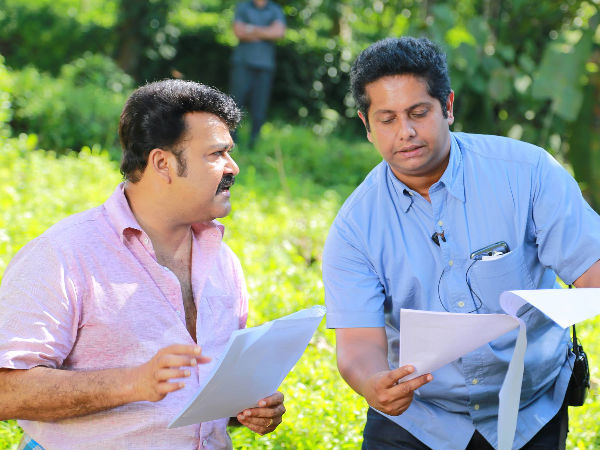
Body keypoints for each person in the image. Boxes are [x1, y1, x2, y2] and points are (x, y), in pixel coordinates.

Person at [322, 37, 600, 450]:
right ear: (367, 125)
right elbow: (358, 343)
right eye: (387, 119)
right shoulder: (355, 227)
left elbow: (592, 272)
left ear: (447, 107)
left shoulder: (528, 173)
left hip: (529, 408)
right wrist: (373, 382)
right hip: (418, 415)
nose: (406, 132)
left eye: (419, 113)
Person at [0, 79, 286, 450]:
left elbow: (203, 394)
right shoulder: (62, 254)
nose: (233, 167)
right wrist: (134, 383)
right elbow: (7, 391)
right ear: (162, 163)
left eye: (229, 152)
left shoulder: (223, 260)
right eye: (216, 154)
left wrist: (246, 407)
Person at [230, 0, 286, 148]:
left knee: (260, 106)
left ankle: (254, 142)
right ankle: (231, 142)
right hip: (242, 63)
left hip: (265, 66)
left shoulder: (275, 9)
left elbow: (279, 32)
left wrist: (250, 29)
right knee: (235, 103)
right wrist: (266, 32)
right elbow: (238, 32)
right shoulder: (243, 6)